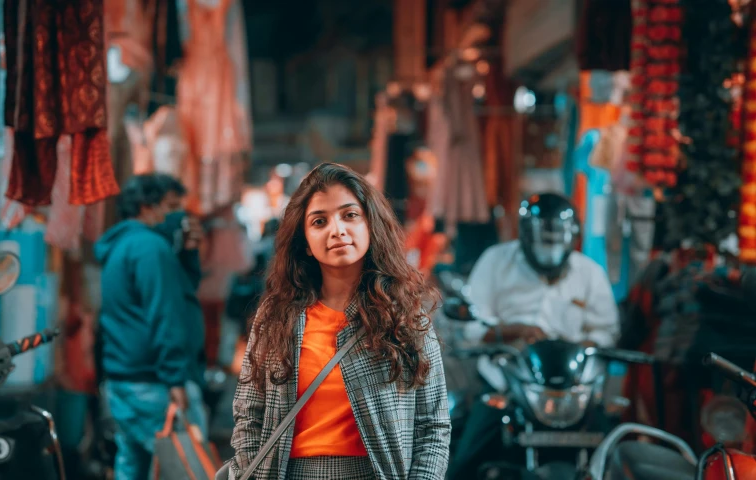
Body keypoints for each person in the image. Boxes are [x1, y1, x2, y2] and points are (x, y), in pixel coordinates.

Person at [228, 163, 451, 479]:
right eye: (319, 221)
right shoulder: (278, 316)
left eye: (350, 215)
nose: (337, 230)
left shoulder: (405, 315)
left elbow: (433, 425)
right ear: (305, 241)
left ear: (370, 224)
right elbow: (248, 417)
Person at [446, 192, 619, 479]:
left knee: (616, 451)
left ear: (571, 237)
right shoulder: (495, 261)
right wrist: (513, 331)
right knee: (465, 462)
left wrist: (580, 346)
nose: (549, 249)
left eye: (555, 241)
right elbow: (473, 326)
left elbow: (607, 329)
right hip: (505, 385)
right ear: (526, 236)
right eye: (543, 241)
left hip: (573, 391)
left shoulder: (589, 273)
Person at [94, 173, 207, 480]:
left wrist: (186, 253)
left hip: (124, 379)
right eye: (170, 207)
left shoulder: (123, 245)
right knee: (190, 468)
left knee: (133, 467)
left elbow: (177, 293)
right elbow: (164, 314)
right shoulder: (149, 248)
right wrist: (176, 379)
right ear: (147, 207)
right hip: (153, 382)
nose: (177, 215)